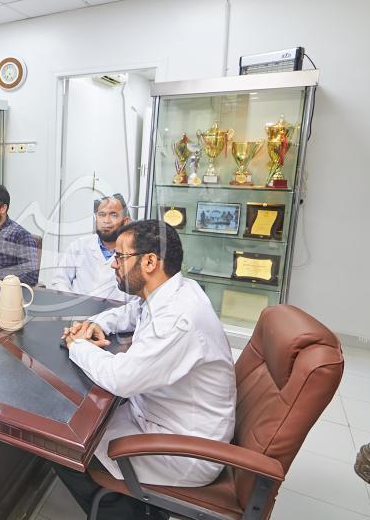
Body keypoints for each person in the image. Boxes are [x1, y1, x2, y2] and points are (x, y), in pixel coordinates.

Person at [56, 220, 235, 518]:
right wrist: (97, 324)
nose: (113, 263)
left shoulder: (179, 319)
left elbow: (120, 379)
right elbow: (131, 312)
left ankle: (131, 514)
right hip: (158, 418)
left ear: (150, 262)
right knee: (77, 427)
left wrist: (77, 345)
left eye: (120, 256)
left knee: (63, 447)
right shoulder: (173, 290)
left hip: (183, 449)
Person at [50, 194, 132, 301]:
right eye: (101, 215)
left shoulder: (134, 253)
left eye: (113, 215)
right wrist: (71, 304)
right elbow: (59, 281)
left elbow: (135, 298)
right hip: (76, 309)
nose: (106, 221)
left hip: (116, 310)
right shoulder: (78, 246)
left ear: (125, 221)